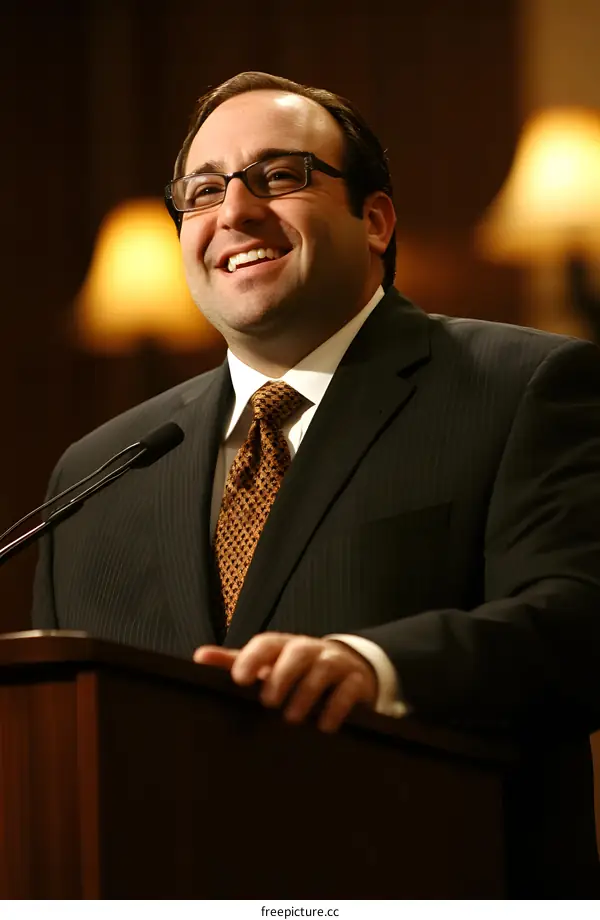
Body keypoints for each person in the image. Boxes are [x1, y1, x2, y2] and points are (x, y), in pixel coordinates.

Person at [32, 72, 600, 887]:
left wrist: (376, 666)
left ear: (374, 219)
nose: (234, 211)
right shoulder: (97, 472)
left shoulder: (522, 388)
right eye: (203, 192)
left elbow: (579, 625)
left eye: (280, 175)